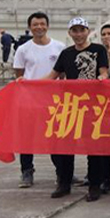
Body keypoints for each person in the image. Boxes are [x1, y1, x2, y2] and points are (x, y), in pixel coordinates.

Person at [44, 17, 109, 201]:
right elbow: (52, 76)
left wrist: (102, 78)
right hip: (71, 106)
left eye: (82, 30)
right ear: (70, 33)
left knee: (93, 148)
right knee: (65, 147)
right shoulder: (66, 54)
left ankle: (95, 185)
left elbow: (103, 71)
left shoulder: (98, 50)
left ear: (88, 31)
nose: (79, 34)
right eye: (75, 31)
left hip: (93, 107)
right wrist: (26, 83)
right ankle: (64, 183)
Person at [13, 12, 65, 188]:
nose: (39, 27)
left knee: (55, 137)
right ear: (30, 27)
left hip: (54, 100)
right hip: (30, 100)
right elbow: (19, 75)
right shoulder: (23, 49)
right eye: (35, 24)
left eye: (42, 24)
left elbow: (63, 74)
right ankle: (27, 171)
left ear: (47, 26)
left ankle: (62, 172)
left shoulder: (59, 47)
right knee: (27, 136)